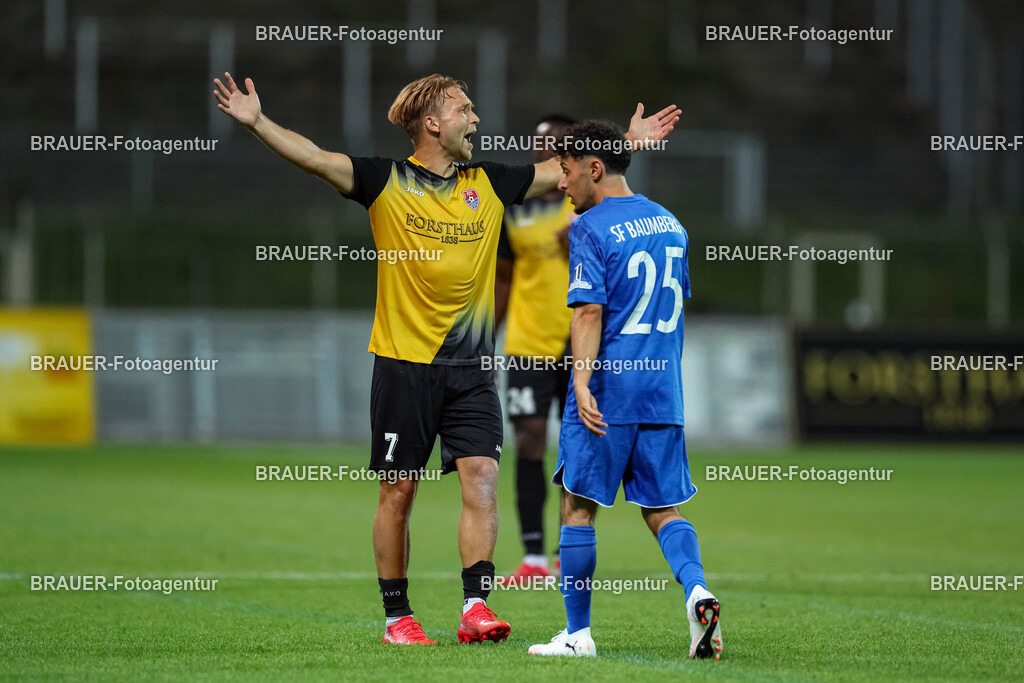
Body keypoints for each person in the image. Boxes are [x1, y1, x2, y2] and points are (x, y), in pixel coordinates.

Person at [214, 72, 678, 645]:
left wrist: (626, 145)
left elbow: (573, 170)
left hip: (474, 368)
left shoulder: (490, 182)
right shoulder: (383, 180)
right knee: (398, 490)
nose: (476, 118)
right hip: (402, 365)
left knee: (481, 474)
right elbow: (314, 158)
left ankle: (475, 607)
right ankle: (397, 618)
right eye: (465, 109)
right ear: (433, 122)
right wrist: (258, 122)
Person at [528, 121, 721, 660]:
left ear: (593, 169)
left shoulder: (589, 227)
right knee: (663, 509)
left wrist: (583, 381)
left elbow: (590, 308)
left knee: (577, 505)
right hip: (663, 391)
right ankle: (698, 591)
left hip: (610, 390)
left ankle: (577, 635)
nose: (561, 185)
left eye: (565, 171)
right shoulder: (672, 223)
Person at [494, 114, 577, 585]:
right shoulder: (514, 208)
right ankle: (533, 558)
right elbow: (504, 276)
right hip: (526, 343)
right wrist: (488, 336)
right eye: (540, 145)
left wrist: (585, 236)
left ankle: (569, 550)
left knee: (576, 447)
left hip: (583, 344)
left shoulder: (589, 204)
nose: (546, 152)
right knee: (527, 438)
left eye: (557, 145)